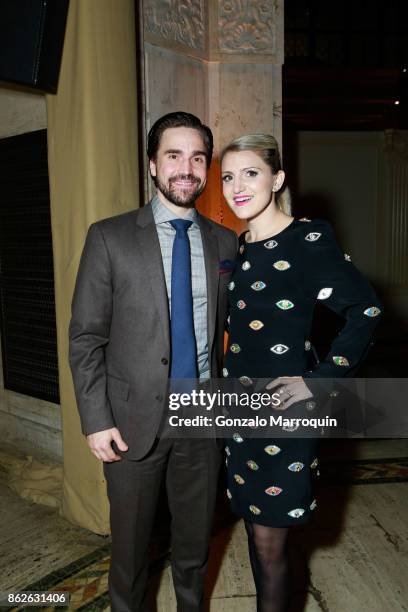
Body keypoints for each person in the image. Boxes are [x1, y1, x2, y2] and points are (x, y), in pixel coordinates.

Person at [69, 111, 238, 612]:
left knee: (192, 551)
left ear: (206, 168)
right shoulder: (110, 237)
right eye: (173, 155)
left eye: (197, 157)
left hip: (202, 424)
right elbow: (85, 338)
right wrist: (97, 421)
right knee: (130, 558)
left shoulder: (226, 243)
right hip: (130, 425)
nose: (185, 168)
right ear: (152, 165)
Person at [220, 133, 382, 611]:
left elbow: (366, 311)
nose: (237, 186)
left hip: (287, 413)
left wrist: (322, 378)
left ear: (278, 178)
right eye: (228, 176)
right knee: (255, 528)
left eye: (251, 172)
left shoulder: (309, 238)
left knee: (271, 542)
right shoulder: (238, 248)